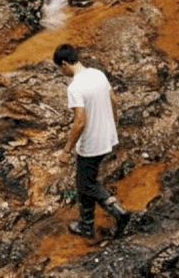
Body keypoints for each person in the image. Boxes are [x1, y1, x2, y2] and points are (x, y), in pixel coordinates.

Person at [53, 43, 130, 240]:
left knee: (86, 185)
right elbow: (114, 100)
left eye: (60, 69)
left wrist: (66, 150)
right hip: (107, 137)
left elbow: (79, 121)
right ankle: (86, 226)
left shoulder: (75, 87)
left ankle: (118, 212)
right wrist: (111, 123)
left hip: (91, 144)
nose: (62, 73)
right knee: (85, 181)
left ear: (64, 64)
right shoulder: (97, 74)